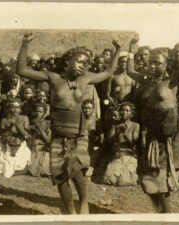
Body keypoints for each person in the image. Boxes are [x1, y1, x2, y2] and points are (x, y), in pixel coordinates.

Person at [16, 32, 121, 214]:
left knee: (77, 172)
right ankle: (71, 212)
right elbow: (22, 70)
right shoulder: (53, 78)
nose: (84, 66)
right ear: (68, 61)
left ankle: (84, 204)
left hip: (78, 134)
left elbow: (109, 72)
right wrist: (25, 44)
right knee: (60, 177)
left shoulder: (85, 79)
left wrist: (118, 50)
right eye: (80, 61)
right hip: (58, 135)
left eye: (86, 63)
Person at [126, 19, 179, 213]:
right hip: (153, 134)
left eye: (158, 63)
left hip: (171, 133)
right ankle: (162, 212)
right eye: (151, 62)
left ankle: (167, 215)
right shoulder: (146, 80)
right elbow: (130, 70)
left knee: (157, 175)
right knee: (149, 180)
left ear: (166, 64)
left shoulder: (173, 79)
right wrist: (131, 47)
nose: (153, 65)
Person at [103, 102, 140, 186]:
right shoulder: (115, 124)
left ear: (132, 114)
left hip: (129, 154)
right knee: (108, 178)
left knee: (126, 181)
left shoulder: (135, 126)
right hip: (117, 154)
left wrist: (126, 133)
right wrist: (118, 131)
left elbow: (134, 142)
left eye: (127, 110)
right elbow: (109, 140)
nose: (124, 112)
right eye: (122, 110)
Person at [0, 98, 32, 178]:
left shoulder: (24, 118)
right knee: (8, 164)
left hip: (21, 143)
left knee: (20, 162)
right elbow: (2, 136)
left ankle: (22, 169)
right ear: (9, 108)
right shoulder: (4, 120)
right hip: (9, 143)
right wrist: (9, 128)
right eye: (13, 107)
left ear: (20, 109)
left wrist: (19, 127)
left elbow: (28, 136)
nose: (15, 109)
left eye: (17, 107)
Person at [28, 103, 52, 177]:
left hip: (44, 148)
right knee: (32, 172)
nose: (38, 113)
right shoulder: (31, 124)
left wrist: (39, 128)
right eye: (37, 111)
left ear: (44, 113)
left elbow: (48, 140)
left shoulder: (48, 123)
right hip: (34, 148)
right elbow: (29, 141)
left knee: (44, 171)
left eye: (40, 112)